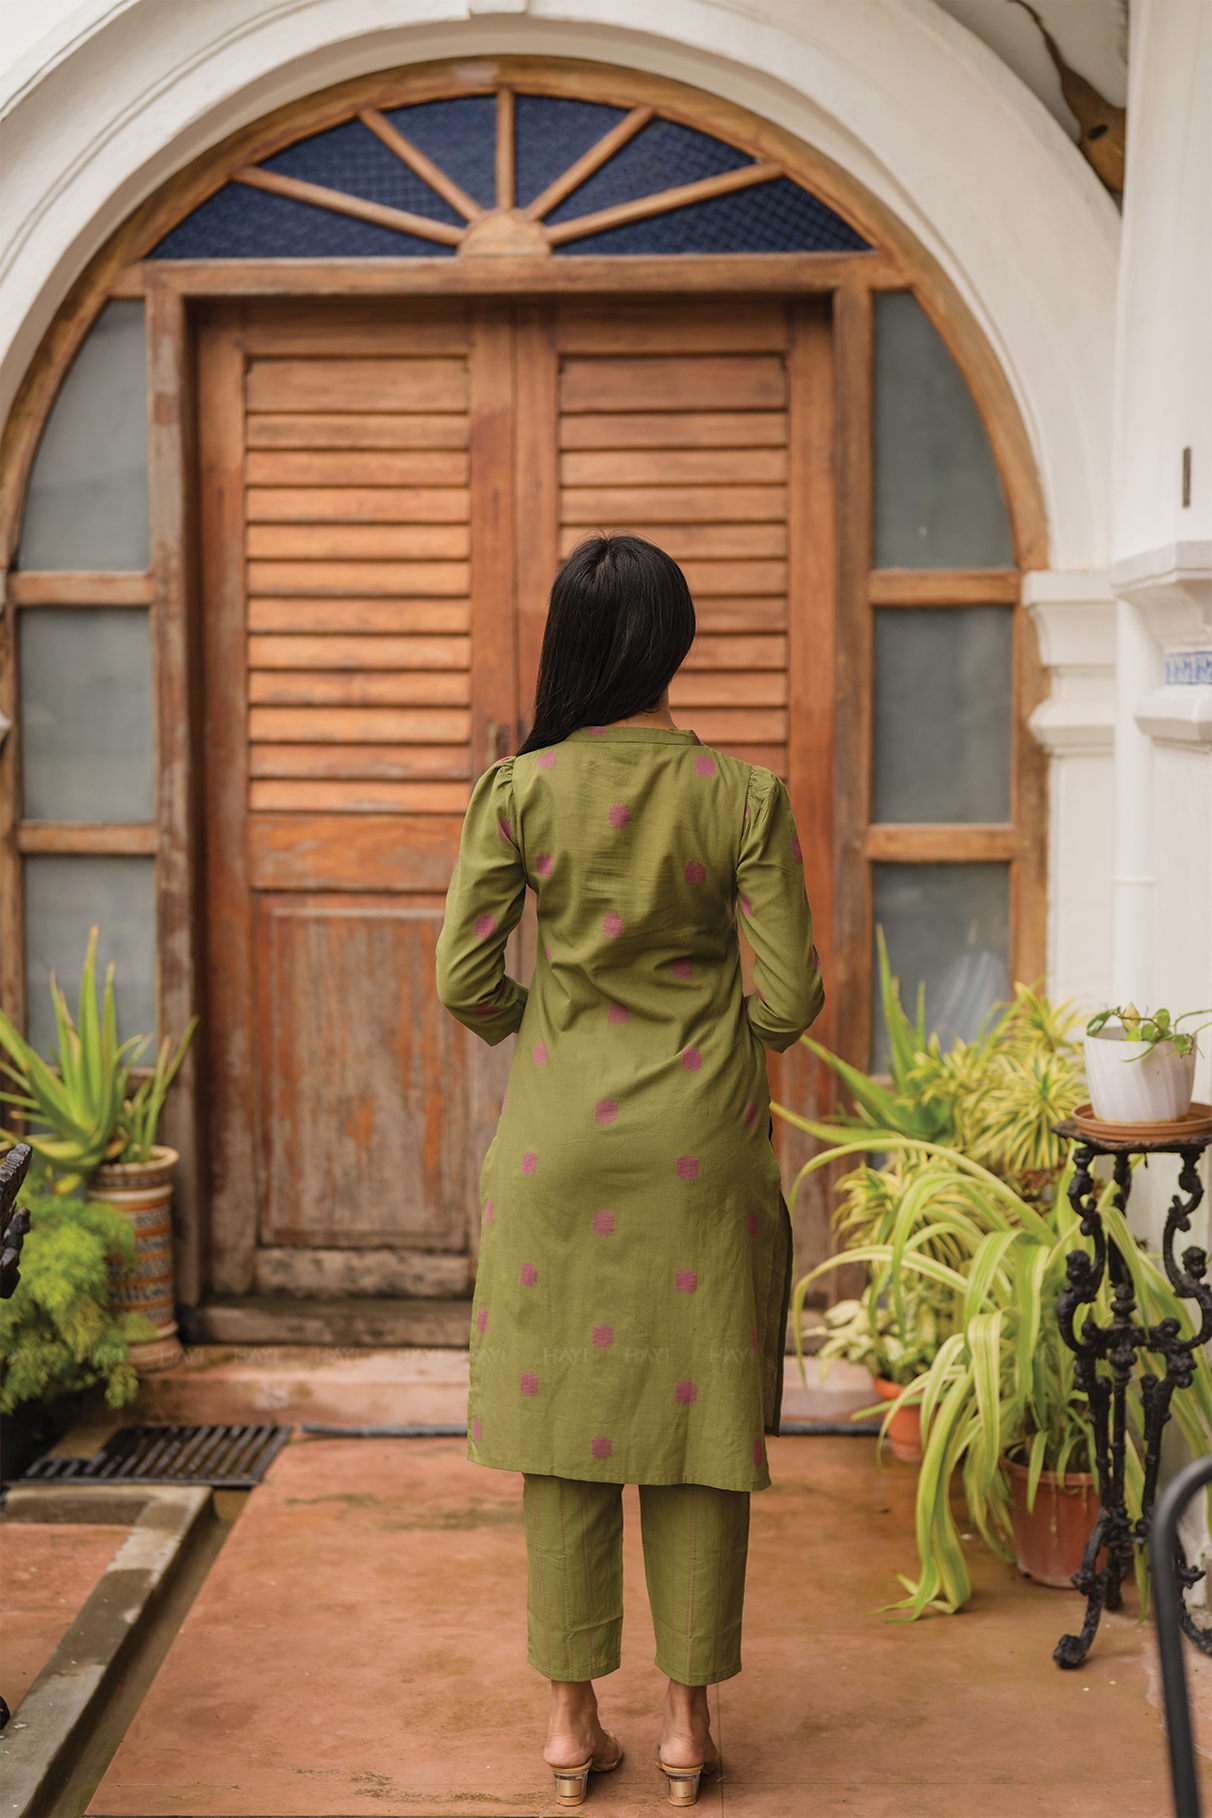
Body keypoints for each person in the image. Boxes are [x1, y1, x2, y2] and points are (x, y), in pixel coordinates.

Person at [435, 534, 824, 1808]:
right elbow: (790, 999)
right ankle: (687, 1731)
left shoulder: (519, 790)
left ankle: (567, 1724)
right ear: (677, 641)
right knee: (703, 1424)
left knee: (567, 1427)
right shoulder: (744, 796)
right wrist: (717, 1034)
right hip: (704, 1148)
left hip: (557, 1146)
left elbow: (464, 978)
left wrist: (544, 1033)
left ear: (572, 642)